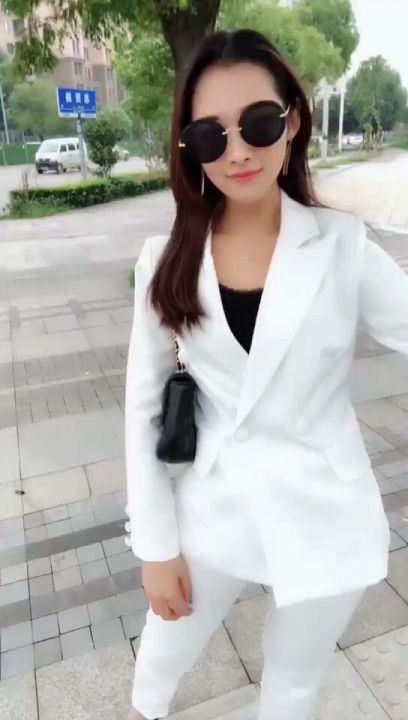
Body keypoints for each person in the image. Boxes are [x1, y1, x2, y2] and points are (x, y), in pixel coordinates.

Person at [125, 29, 408, 720]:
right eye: (210, 135)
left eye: (257, 122)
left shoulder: (342, 246)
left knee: (291, 688)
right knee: (156, 670)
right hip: (212, 509)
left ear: (293, 121)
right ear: (190, 147)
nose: (238, 151)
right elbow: (142, 410)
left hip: (324, 513)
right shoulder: (165, 259)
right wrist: (156, 547)